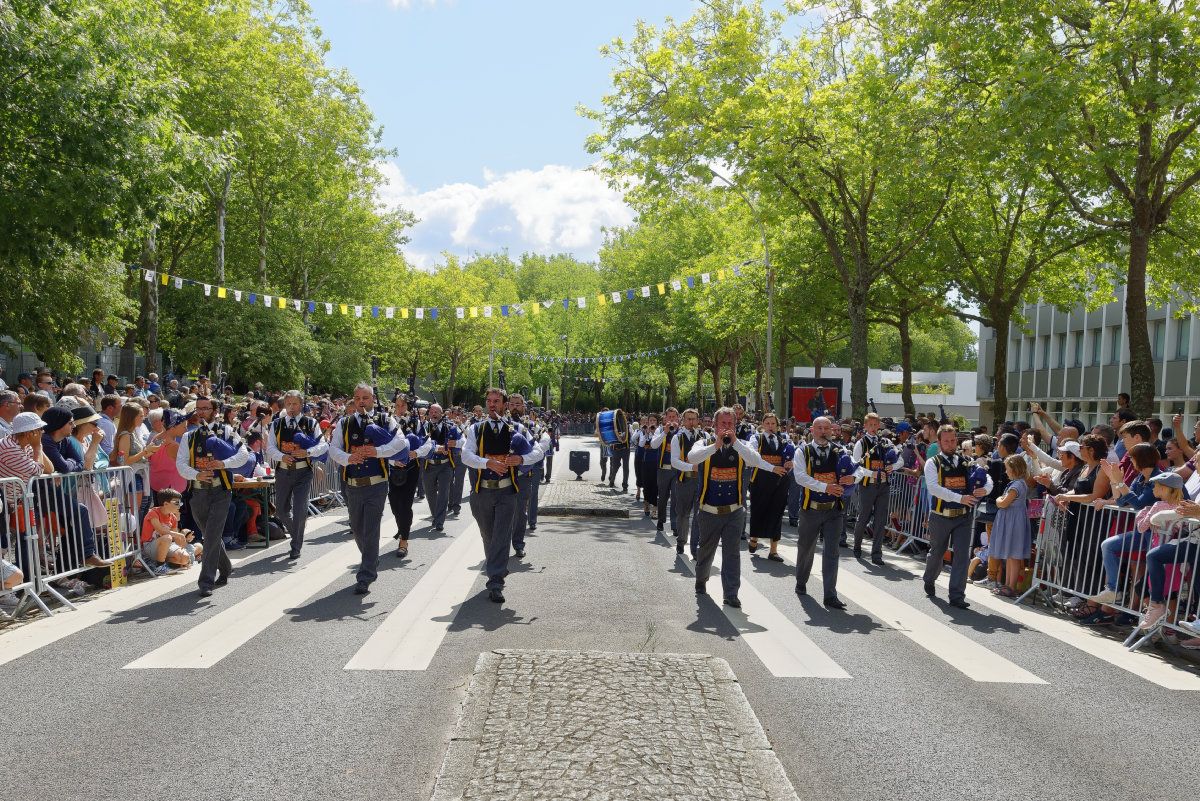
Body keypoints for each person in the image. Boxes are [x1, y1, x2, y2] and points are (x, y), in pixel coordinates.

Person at [686, 406, 785, 608]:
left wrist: (736, 442)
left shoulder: (742, 446)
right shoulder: (702, 443)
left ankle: (731, 593)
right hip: (709, 510)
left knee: (732, 554)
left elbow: (755, 460)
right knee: (706, 551)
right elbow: (692, 458)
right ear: (714, 425)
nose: (726, 427)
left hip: (734, 511)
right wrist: (715, 445)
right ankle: (701, 579)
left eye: (730, 423)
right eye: (722, 423)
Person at [460, 387, 540, 604]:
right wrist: (487, 463)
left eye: (496, 401)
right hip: (482, 491)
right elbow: (466, 456)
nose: (492, 405)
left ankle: (495, 581)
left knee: (502, 536)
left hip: (507, 492)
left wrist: (521, 460)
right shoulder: (477, 429)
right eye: (489, 401)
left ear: (505, 405)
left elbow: (539, 450)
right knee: (489, 536)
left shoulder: (517, 428)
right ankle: (495, 570)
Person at [329, 383, 411, 593]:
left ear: (372, 399)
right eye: (357, 398)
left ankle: (365, 575)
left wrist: (378, 452)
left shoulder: (385, 420)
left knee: (372, 528)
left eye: (365, 398)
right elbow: (334, 449)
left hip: (377, 484)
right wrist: (348, 458)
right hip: (353, 485)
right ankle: (371, 560)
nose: (361, 402)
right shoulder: (345, 423)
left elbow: (401, 443)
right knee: (357, 528)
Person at [175, 395, 251, 597]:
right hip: (198, 491)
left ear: (215, 411)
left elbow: (243, 455)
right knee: (211, 536)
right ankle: (226, 568)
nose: (200, 412)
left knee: (211, 534)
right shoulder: (188, 437)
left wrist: (224, 464)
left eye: (205, 408)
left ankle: (206, 581)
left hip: (221, 491)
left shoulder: (228, 432)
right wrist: (196, 474)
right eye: (198, 408)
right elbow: (181, 464)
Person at [922, 424, 993, 609]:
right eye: (946, 441)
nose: (951, 444)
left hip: (963, 517)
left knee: (962, 555)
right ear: (939, 442)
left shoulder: (966, 460)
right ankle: (929, 578)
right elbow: (933, 488)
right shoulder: (932, 463)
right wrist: (959, 498)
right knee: (937, 553)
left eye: (953, 440)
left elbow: (987, 477)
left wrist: (984, 490)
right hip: (940, 515)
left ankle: (957, 595)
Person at [792, 416, 858, 608]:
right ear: (812, 430)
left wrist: (853, 478)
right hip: (810, 509)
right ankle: (801, 581)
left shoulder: (841, 451)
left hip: (834, 511)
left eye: (826, 428)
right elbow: (800, 477)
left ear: (832, 431)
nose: (823, 432)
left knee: (832, 552)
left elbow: (858, 469)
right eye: (819, 428)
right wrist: (825, 487)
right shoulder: (802, 451)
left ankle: (830, 594)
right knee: (806, 548)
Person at [265, 390, 328, 560]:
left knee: (300, 509)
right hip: (283, 470)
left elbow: (323, 446)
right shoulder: (276, 424)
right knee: (282, 509)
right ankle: (297, 535)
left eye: (295, 404)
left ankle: (296, 545)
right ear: (284, 405)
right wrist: (282, 456)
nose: (291, 407)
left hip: (303, 472)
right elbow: (270, 448)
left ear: (301, 405)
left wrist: (307, 452)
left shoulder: (311, 423)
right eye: (288, 404)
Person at [850, 412, 901, 565]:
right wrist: (871, 472)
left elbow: (901, 459)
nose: (873, 428)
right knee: (863, 517)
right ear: (865, 426)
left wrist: (893, 466)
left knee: (880, 520)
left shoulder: (885, 441)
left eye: (875, 425)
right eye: (870, 425)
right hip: (867, 485)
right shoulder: (861, 443)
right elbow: (855, 465)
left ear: (879, 426)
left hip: (884, 486)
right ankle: (857, 545)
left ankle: (876, 553)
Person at [746, 413, 791, 562]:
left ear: (777, 425)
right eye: (767, 423)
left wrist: (790, 464)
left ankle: (773, 551)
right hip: (761, 478)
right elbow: (753, 459)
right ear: (763, 424)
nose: (770, 426)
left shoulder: (784, 439)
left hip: (779, 480)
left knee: (777, 512)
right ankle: (754, 537)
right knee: (759, 509)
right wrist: (772, 468)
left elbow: (794, 457)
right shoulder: (755, 438)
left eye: (773, 423)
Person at [507, 393, 547, 558]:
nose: (515, 407)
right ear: (507, 405)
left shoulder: (532, 426)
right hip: (501, 475)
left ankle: (517, 544)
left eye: (518, 404)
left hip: (523, 475)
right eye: (512, 404)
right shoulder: (500, 424)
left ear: (524, 407)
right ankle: (498, 545)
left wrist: (526, 457)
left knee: (520, 512)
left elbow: (545, 442)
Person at [987, 455, 1031, 598]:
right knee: (1011, 555)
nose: (1006, 472)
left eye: (1007, 468)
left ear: (1014, 469)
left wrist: (999, 499)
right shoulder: (1018, 483)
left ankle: (1011, 586)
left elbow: (1004, 502)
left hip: (1013, 521)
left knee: (1014, 555)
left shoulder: (1017, 485)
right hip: (1012, 520)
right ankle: (1008, 585)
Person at [419, 403, 460, 534]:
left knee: (444, 492)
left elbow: (461, 440)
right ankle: (436, 514)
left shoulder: (450, 426)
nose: (434, 414)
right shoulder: (424, 427)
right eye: (432, 411)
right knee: (430, 492)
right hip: (429, 464)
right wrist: (438, 448)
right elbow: (421, 442)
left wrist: (453, 445)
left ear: (442, 413)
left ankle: (440, 520)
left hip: (445, 465)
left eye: (437, 411)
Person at [669, 408, 705, 557]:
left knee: (699, 516)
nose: (691, 422)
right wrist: (691, 467)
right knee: (683, 514)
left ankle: (695, 548)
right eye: (688, 419)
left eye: (694, 419)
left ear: (698, 421)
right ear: (683, 421)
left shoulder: (705, 436)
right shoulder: (677, 438)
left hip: (701, 482)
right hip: (684, 481)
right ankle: (681, 541)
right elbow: (674, 461)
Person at [141, 488, 199, 573]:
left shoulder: (173, 517)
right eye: (176, 503)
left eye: (180, 503)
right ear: (165, 504)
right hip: (149, 547)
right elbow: (161, 531)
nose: (179, 506)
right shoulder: (153, 512)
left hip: (166, 546)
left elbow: (176, 539)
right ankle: (159, 567)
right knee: (167, 537)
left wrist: (184, 548)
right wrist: (179, 535)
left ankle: (160, 562)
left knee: (184, 558)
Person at [650, 407, 680, 536]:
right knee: (662, 497)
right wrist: (665, 432)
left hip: (677, 470)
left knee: (676, 499)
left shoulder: (682, 431)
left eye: (674, 417)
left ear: (678, 418)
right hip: (663, 469)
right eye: (669, 417)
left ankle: (674, 525)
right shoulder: (660, 430)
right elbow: (653, 445)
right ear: (665, 418)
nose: (672, 419)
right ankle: (661, 521)